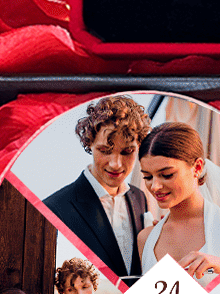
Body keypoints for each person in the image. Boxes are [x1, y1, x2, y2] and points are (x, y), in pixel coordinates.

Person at [44, 96, 152, 280]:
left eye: (127, 151)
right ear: (90, 144)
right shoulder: (53, 209)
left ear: (139, 147)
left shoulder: (140, 198)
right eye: (105, 150)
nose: (116, 164)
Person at [136, 122, 220, 286]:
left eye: (167, 175)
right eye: (148, 177)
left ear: (197, 168)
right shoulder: (145, 239)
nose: (155, 186)